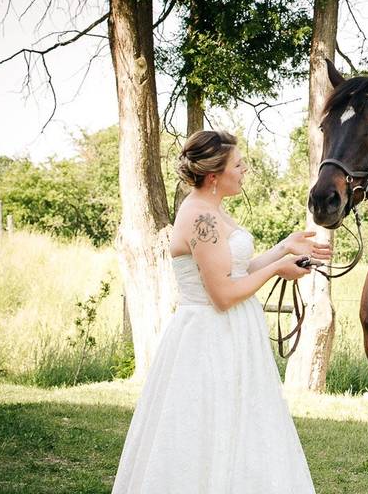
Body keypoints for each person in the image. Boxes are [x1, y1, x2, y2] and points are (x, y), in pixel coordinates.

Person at [113, 130, 330, 493]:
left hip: (231, 335)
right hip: (208, 338)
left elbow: (236, 271)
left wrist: (283, 249)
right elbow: (223, 295)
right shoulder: (202, 219)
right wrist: (277, 270)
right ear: (214, 176)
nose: (244, 171)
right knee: (205, 428)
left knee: (242, 426)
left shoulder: (213, 212)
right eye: (238, 165)